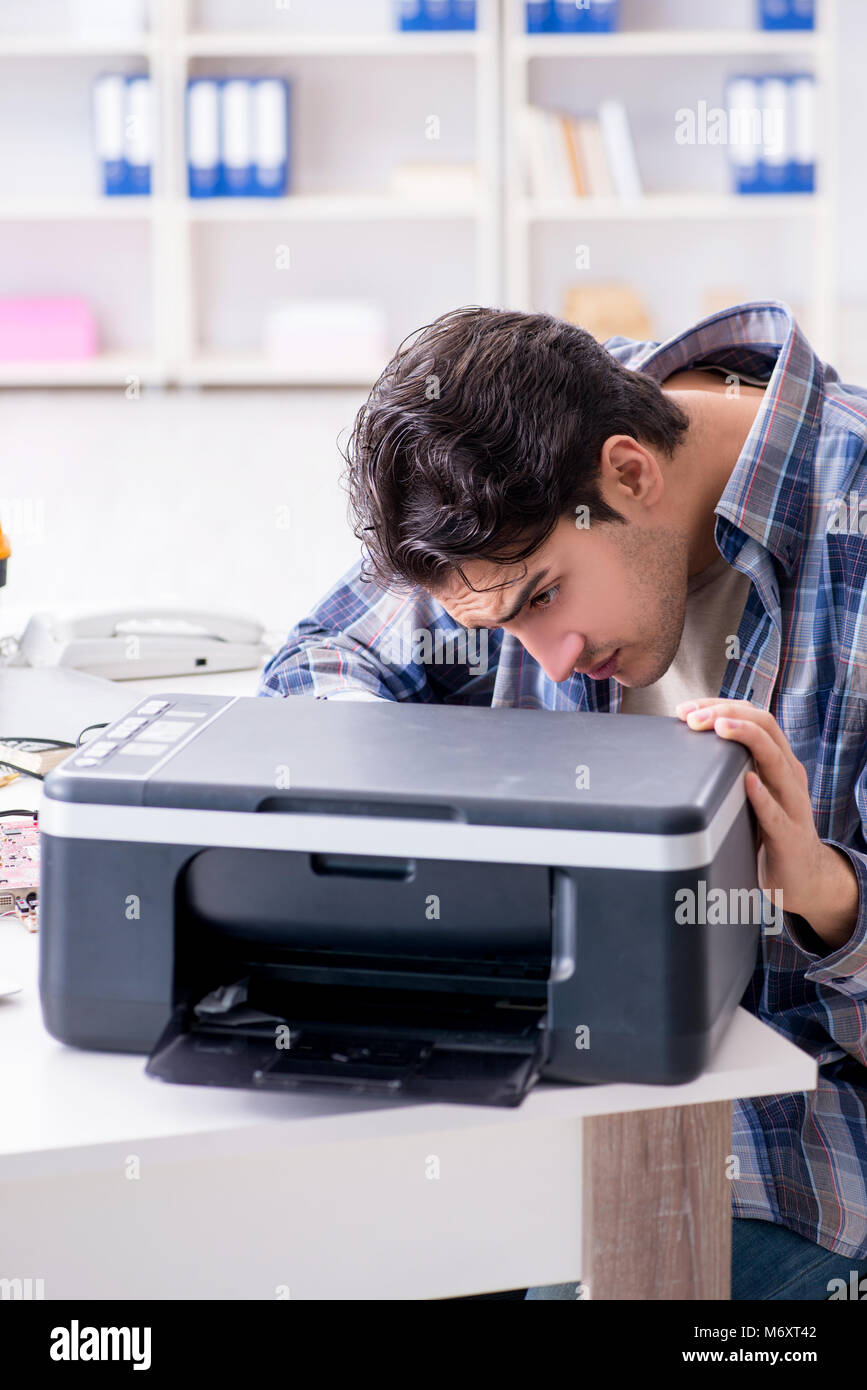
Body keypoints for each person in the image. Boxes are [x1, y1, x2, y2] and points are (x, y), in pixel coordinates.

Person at [260, 301, 867, 1300]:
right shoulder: (509, 468)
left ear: (631, 474)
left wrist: (826, 895)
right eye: (499, 624)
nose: (551, 659)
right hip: (531, 1078)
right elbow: (321, 663)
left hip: (786, 1127)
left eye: (543, 597)